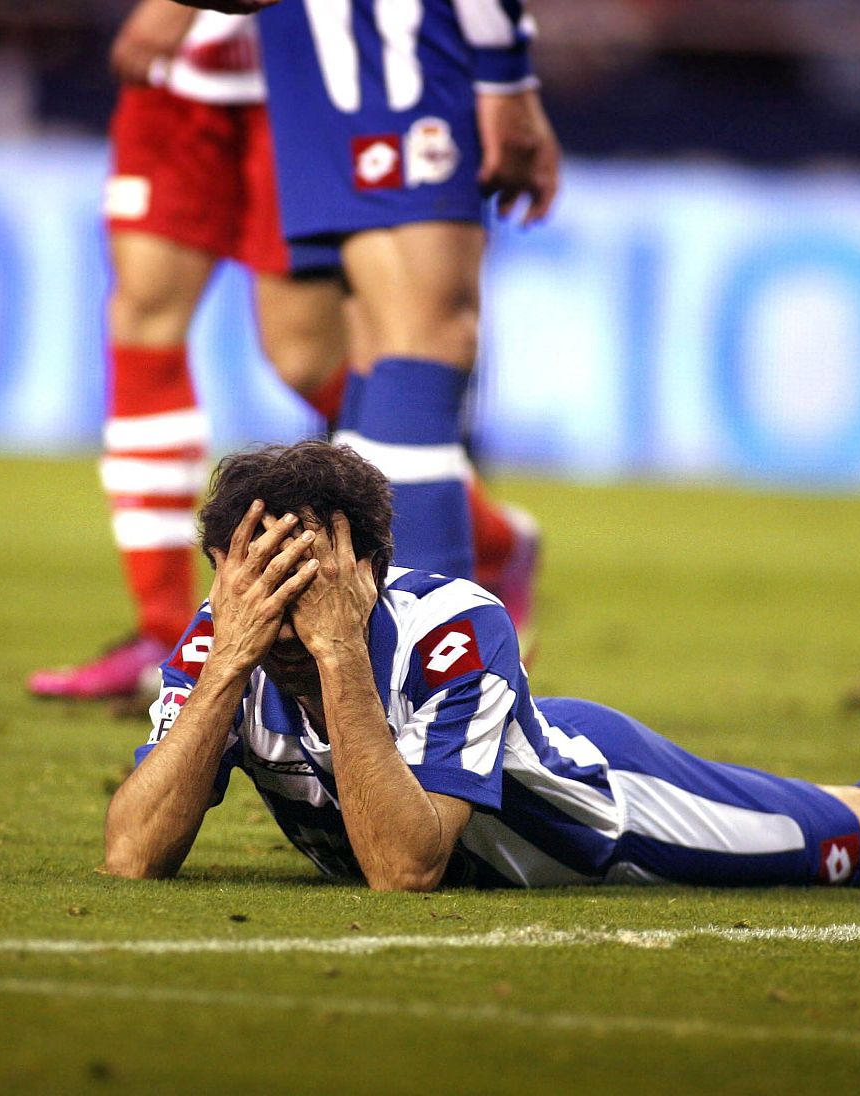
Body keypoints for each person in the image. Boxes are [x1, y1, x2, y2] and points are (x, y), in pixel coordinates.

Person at [104, 441, 860, 889]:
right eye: (232, 568)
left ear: (356, 571)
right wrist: (224, 667)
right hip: (491, 818)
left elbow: (404, 867)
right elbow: (131, 851)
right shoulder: (223, 644)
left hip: (604, 813)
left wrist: (339, 653)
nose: (241, 594)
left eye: (276, 569)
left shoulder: (451, 627)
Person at [31, 0, 541, 701]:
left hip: (302, 77)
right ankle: (161, 630)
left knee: (306, 357)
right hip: (182, 86)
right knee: (142, 313)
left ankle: (489, 541)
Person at [254, 0, 560, 582]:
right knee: (424, 335)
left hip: (310, 42)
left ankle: (381, 638)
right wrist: (509, 78)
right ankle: (439, 652)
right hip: (396, 40)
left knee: (377, 334)